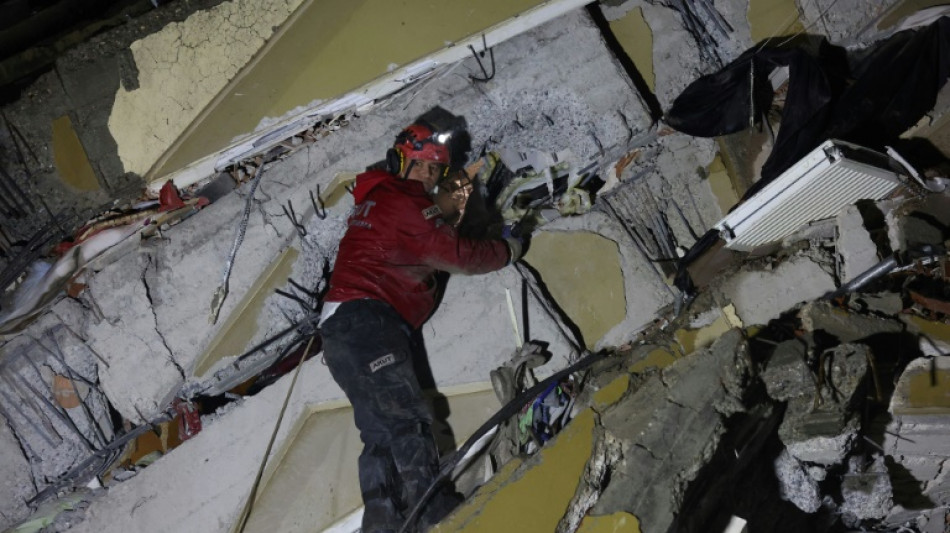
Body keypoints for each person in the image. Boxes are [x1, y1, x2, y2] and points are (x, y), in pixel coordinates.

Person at [320, 119, 523, 532]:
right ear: (400, 160)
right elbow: (456, 256)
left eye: (434, 169)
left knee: (379, 433)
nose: (428, 176)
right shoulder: (405, 200)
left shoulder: (378, 198)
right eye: (422, 165)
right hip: (369, 319)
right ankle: (431, 510)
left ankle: (383, 523)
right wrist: (507, 250)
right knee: (406, 419)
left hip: (341, 331)